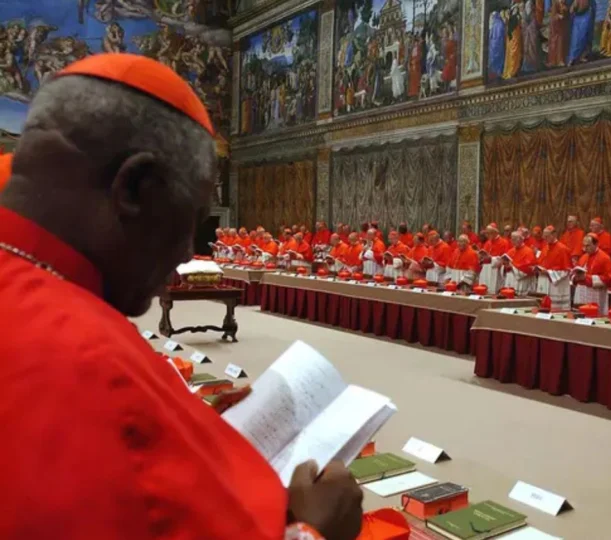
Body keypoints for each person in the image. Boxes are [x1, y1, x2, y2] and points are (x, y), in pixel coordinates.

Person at [0, 54, 362, 539]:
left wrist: (189, 425)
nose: (188, 254)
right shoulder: (90, 366)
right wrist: (314, 530)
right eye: (191, 220)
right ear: (135, 188)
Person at [572, 233, 611, 314]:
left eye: (588, 245)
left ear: (596, 244)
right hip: (581, 292)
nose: (585, 248)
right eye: (584, 246)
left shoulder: (605, 258)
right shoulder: (583, 257)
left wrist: (587, 278)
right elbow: (574, 272)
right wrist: (575, 277)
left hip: (595, 293)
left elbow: (609, 279)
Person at [535, 226, 572, 311]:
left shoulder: (563, 249)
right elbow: (540, 262)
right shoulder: (545, 248)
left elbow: (566, 271)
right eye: (544, 236)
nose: (545, 239)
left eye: (547, 236)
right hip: (545, 283)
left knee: (557, 310)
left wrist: (549, 273)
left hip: (557, 286)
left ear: (554, 235)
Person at [502, 230, 537, 296]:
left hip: (523, 283)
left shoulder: (528, 252)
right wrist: (504, 265)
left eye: (515, 239)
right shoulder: (511, 251)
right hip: (511, 282)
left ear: (521, 239)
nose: (512, 242)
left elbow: (529, 269)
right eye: (512, 239)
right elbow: (505, 266)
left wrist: (512, 267)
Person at [478, 223, 510, 292]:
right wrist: (481, 258)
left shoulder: (504, 242)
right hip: (486, 270)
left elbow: (504, 259)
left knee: (494, 290)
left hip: (496, 272)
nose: (487, 235)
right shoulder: (488, 242)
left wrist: (492, 259)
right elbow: (484, 255)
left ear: (495, 232)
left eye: (489, 233)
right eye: (487, 233)